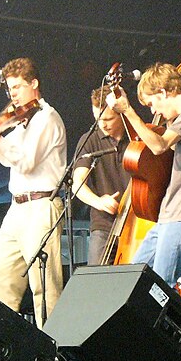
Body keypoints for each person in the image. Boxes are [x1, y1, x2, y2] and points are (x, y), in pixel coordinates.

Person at [106, 62, 181, 288]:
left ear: (164, 92)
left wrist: (128, 111)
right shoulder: (180, 120)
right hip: (171, 212)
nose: (154, 111)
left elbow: (159, 147)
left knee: (159, 285)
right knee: (135, 277)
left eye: (151, 103)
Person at [0, 57, 66, 327]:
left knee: (44, 286)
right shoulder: (23, 121)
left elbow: (25, 162)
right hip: (17, 208)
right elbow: (5, 156)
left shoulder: (47, 118)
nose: (13, 94)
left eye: (17, 87)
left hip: (41, 205)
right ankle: (1, 342)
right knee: (1, 281)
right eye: (10, 89)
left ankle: (54, 350)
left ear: (34, 84)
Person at [72, 85, 130, 265]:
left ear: (121, 113)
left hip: (139, 221)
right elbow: (78, 183)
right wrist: (99, 201)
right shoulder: (89, 140)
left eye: (108, 119)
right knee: (97, 280)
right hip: (103, 225)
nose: (102, 125)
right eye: (97, 118)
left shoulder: (137, 136)